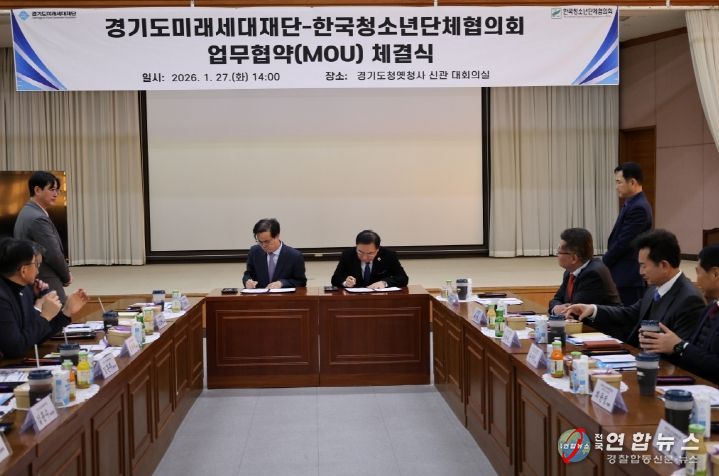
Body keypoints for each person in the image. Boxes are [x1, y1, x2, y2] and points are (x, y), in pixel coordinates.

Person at [567, 229, 705, 346]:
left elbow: (684, 352)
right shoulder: (654, 289)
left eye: (644, 266)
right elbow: (629, 314)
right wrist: (592, 309)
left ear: (664, 265)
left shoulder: (689, 299)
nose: (640, 272)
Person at [639, 244, 719, 384]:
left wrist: (679, 346)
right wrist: (662, 343)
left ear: (715, 274)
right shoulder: (710, 308)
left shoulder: (693, 299)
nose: (697, 280)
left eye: (698, 272)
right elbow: (694, 353)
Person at [0, 237, 88, 359]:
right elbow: (15, 348)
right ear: (24, 270)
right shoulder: (2, 298)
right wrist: (45, 316)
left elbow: (34, 337)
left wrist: (66, 312)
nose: (38, 271)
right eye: (36, 264)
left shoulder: (25, 289)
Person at [13, 171, 72, 302]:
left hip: (36, 279)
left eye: (57, 190)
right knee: (58, 313)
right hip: (45, 280)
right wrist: (66, 275)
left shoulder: (28, 211)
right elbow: (53, 254)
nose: (56, 194)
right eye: (52, 189)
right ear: (37, 190)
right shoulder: (37, 218)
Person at [603, 162, 653, 306]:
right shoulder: (632, 203)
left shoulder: (639, 207)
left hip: (629, 276)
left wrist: (603, 263)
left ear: (632, 182)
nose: (616, 187)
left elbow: (624, 243)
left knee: (627, 314)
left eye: (619, 182)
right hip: (623, 274)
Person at [548, 228, 621, 315]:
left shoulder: (593, 273)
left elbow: (576, 309)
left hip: (603, 323)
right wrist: (556, 308)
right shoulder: (569, 272)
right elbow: (556, 299)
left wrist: (562, 309)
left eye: (559, 252)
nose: (557, 255)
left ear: (574, 258)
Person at [331, 230, 408, 289]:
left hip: (380, 298)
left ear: (377, 250)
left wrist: (384, 283)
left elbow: (403, 278)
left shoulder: (388, 255)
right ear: (356, 246)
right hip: (355, 298)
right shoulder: (348, 254)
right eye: (360, 252)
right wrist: (345, 283)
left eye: (370, 253)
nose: (364, 257)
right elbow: (335, 279)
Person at [242, 218, 306, 289]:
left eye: (267, 241)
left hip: (284, 295)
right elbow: (248, 274)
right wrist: (247, 281)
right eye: (260, 242)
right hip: (260, 295)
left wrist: (282, 283)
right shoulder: (254, 252)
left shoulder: (294, 256)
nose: (263, 245)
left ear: (277, 236)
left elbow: (301, 282)